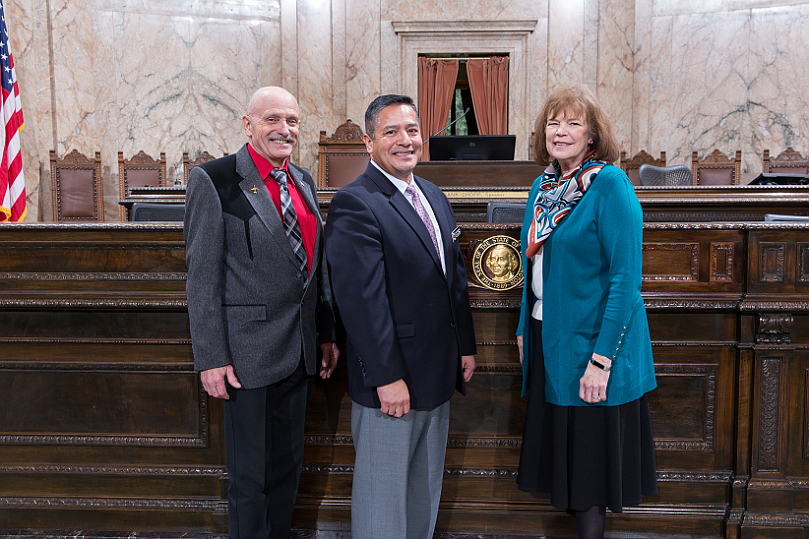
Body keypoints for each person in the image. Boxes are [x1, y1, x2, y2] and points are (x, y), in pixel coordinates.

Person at [184, 86, 339, 539]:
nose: (284, 130)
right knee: (250, 480)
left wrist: (325, 332)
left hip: (301, 350)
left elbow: (316, 266)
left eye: (291, 121)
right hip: (245, 356)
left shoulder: (304, 180)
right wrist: (210, 356)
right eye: (273, 119)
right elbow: (202, 276)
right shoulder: (214, 179)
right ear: (247, 124)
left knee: (287, 471)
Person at [324, 94, 477, 539]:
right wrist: (386, 376)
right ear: (369, 143)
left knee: (421, 497)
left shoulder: (431, 194)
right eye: (391, 132)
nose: (404, 140)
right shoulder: (356, 202)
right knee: (382, 506)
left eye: (411, 130)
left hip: (436, 373)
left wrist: (464, 346)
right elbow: (361, 303)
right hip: (392, 382)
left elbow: (454, 280)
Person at [515, 85, 657, 539]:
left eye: (574, 122)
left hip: (593, 344)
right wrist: (523, 330)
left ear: (592, 135)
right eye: (554, 122)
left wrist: (601, 361)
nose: (561, 131)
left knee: (590, 474)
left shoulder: (610, 185)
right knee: (567, 464)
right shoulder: (544, 186)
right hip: (549, 339)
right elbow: (533, 265)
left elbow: (624, 283)